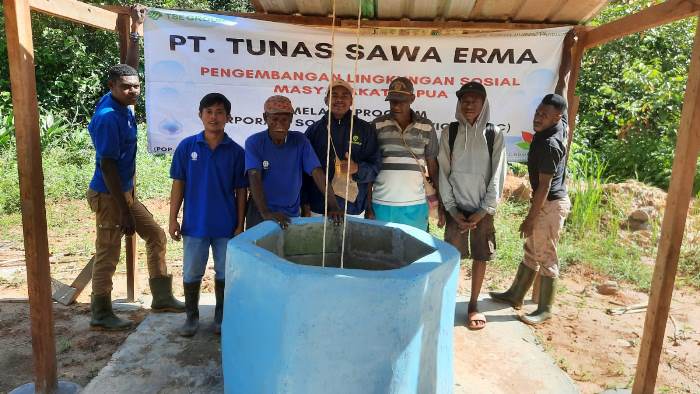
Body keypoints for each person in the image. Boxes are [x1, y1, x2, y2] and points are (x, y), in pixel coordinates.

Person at [86, 4, 184, 331]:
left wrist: (136, 32)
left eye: (137, 86)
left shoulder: (122, 99)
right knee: (108, 252)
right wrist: (124, 209)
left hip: (124, 193)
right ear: (112, 87)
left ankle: (161, 296)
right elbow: (108, 165)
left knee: (155, 235)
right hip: (109, 194)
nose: (133, 91)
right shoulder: (107, 117)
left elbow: (129, 67)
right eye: (127, 87)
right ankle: (100, 312)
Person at [169, 93, 247, 337]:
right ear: (200, 114)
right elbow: (178, 184)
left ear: (228, 117)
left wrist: (239, 223)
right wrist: (173, 218)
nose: (214, 117)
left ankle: (221, 318)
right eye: (209, 111)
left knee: (225, 273)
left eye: (220, 112)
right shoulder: (187, 147)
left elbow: (241, 191)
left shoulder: (236, 151)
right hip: (194, 225)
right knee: (192, 272)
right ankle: (191, 318)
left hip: (226, 226)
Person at [489, 94, 570, 325]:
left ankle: (545, 309)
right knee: (532, 249)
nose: (538, 117)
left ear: (557, 116)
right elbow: (561, 88)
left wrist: (530, 218)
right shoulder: (560, 125)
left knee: (546, 255)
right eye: (537, 112)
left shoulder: (548, 144)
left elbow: (544, 186)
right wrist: (564, 67)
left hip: (550, 204)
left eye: (544, 115)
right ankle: (516, 295)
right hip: (547, 202)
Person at [437, 81, 507, 330]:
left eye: (474, 101)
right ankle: (448, 302)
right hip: (456, 209)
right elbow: (443, 173)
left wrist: (481, 211)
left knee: (481, 257)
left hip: (482, 211)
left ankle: (473, 305)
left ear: (483, 104)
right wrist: (451, 209)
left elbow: (498, 175)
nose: (468, 105)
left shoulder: (494, 134)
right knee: (452, 257)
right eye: (464, 100)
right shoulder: (450, 132)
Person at [245, 95, 343, 229]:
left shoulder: (300, 141)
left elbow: (316, 172)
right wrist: (266, 213)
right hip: (261, 212)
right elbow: (254, 176)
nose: (279, 124)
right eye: (274, 119)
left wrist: (334, 206)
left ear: (291, 120)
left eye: (284, 119)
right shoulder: (254, 142)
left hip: (290, 213)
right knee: (258, 250)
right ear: (265, 118)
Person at [368, 77, 440, 230]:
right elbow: (369, 166)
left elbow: (433, 167)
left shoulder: (426, 126)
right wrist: (368, 206)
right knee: (382, 251)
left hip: (415, 206)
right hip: (381, 204)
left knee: (414, 252)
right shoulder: (377, 125)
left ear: (412, 99)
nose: (396, 105)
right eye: (393, 101)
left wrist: (441, 203)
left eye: (402, 101)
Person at [302, 79, 380, 218]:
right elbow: (303, 173)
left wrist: (357, 168)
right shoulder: (314, 131)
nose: (339, 99)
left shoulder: (365, 129)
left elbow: (375, 168)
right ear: (326, 100)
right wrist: (305, 205)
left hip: (353, 208)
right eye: (334, 95)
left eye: (345, 95)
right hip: (319, 208)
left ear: (351, 101)